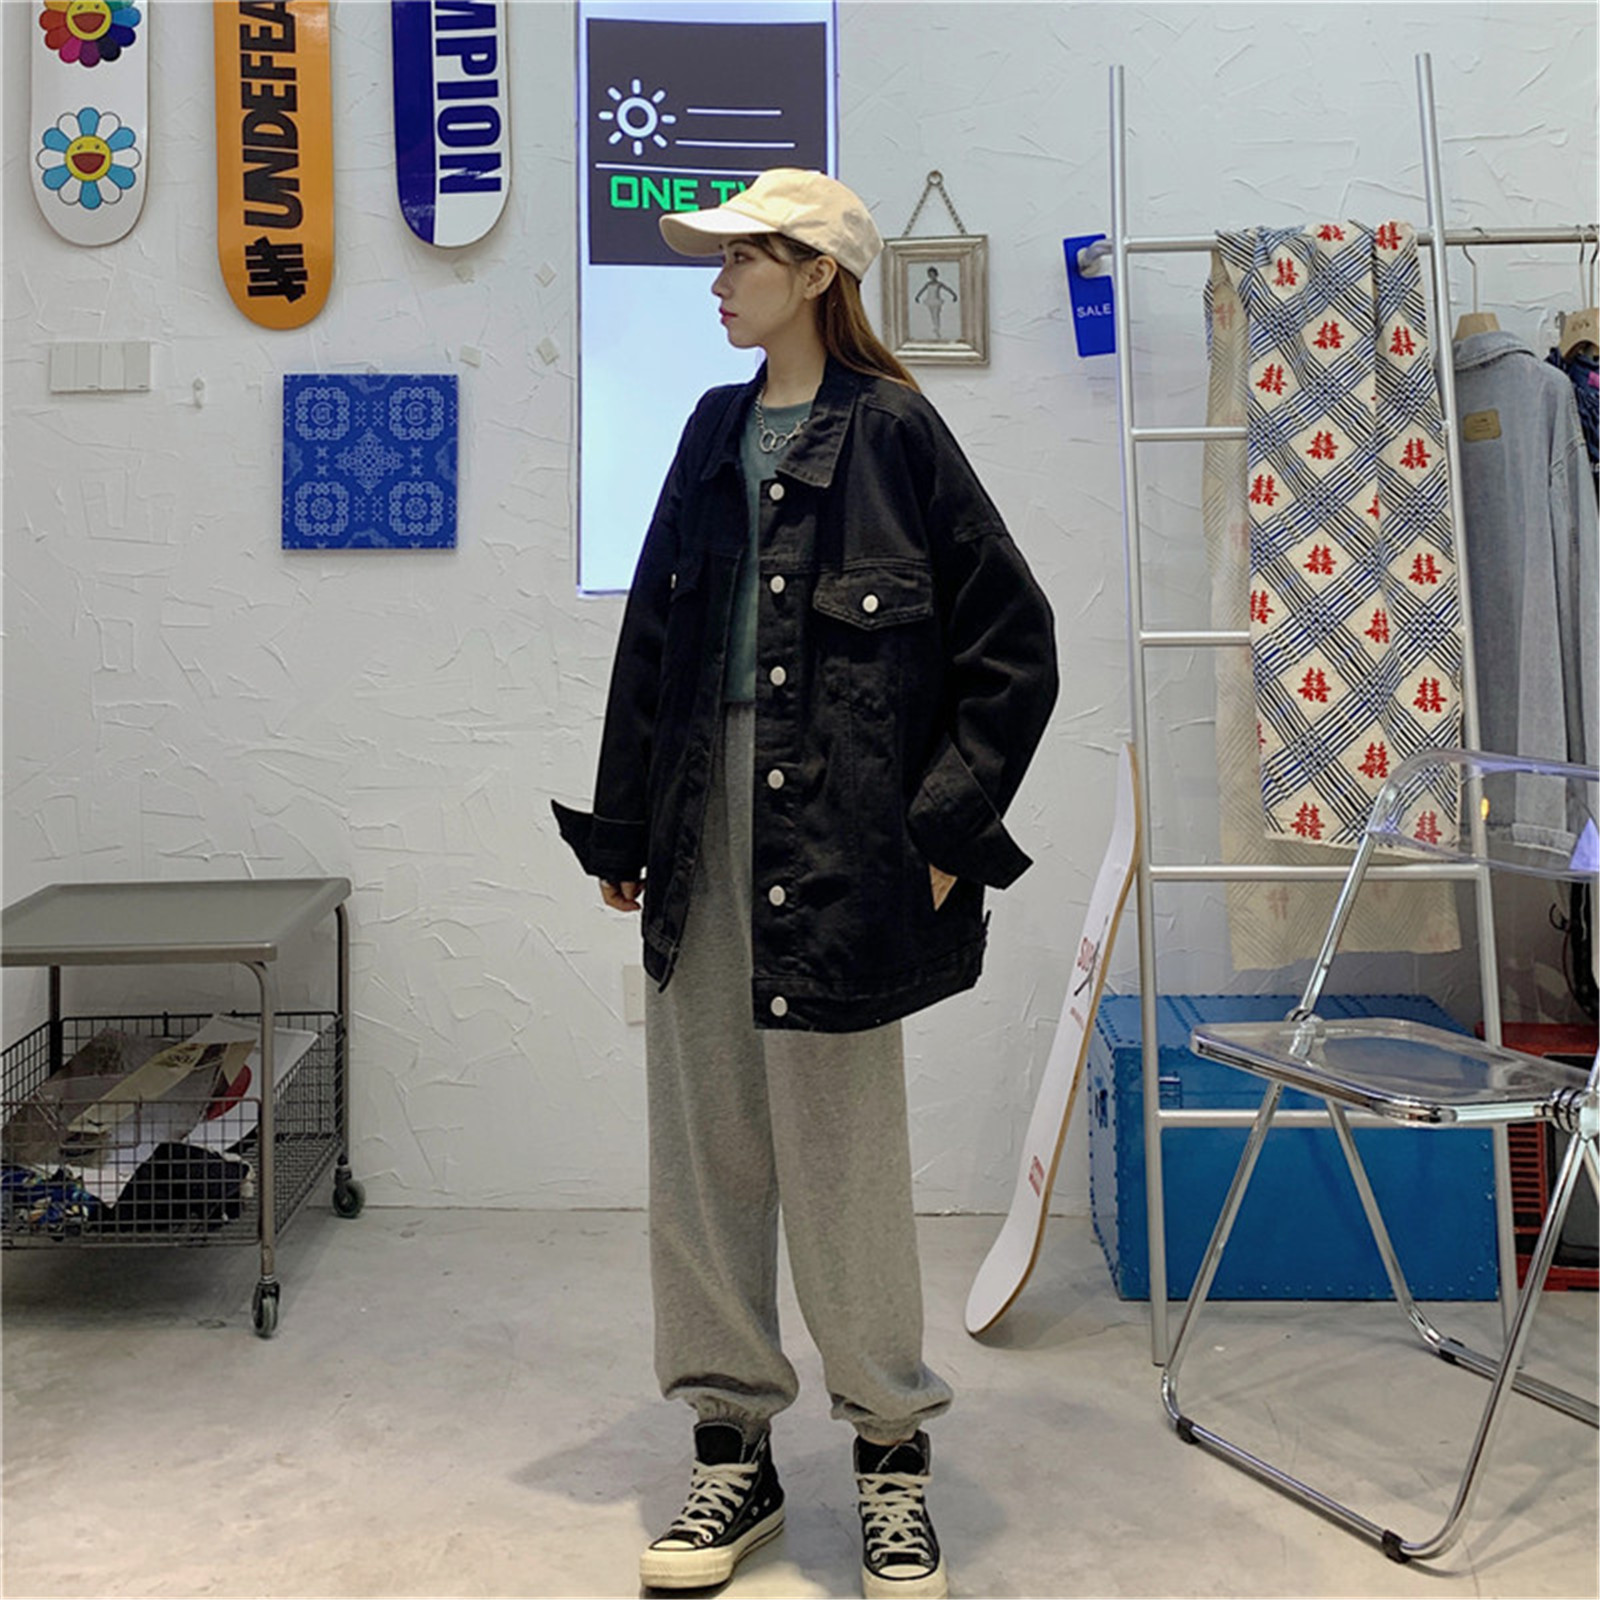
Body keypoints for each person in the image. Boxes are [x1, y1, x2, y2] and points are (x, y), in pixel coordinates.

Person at [553, 167, 1058, 1600]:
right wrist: (627, 828)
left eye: (741, 261)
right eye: (715, 263)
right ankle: (733, 1447)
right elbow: (654, 642)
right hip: (700, 817)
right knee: (704, 1141)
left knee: (840, 1151)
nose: (717, 285)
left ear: (816, 273)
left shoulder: (894, 430)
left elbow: (1013, 642)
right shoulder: (712, 430)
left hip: (841, 831)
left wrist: (948, 827)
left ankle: (891, 1452)